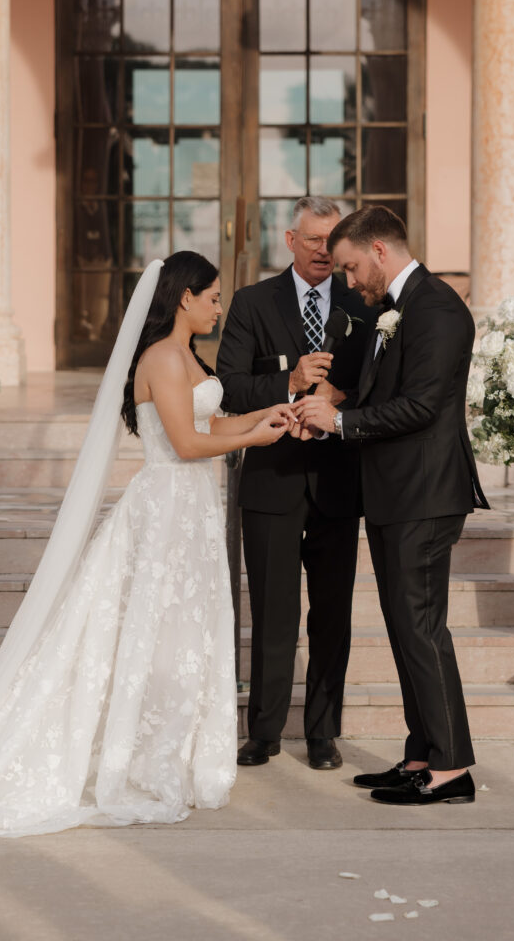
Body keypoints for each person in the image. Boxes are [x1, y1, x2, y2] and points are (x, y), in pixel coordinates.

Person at [0, 252, 293, 845]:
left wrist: (271, 416)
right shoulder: (161, 357)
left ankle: (163, 750)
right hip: (163, 510)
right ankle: (134, 758)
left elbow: (212, 427)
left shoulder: (184, 355)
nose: (219, 305)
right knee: (152, 635)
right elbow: (186, 444)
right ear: (184, 297)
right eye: (212, 296)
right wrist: (259, 438)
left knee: (180, 634)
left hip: (189, 512)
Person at [295, 206, 489, 806]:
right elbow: (372, 386)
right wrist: (323, 402)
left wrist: (340, 421)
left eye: (351, 267)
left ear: (380, 249)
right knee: (407, 631)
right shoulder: (389, 311)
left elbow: (423, 406)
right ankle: (420, 755)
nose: (348, 281)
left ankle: (452, 767)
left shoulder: (436, 308)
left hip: (425, 495)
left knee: (423, 630)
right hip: (392, 496)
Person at [217, 197, 373, 771]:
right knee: (273, 612)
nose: (323, 252)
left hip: (337, 481)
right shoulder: (252, 302)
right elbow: (230, 386)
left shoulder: (363, 301)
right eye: (313, 240)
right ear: (289, 239)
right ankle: (263, 731)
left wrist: (339, 398)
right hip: (272, 481)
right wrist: (287, 380)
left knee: (332, 615)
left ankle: (323, 734)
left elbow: (380, 383)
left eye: (333, 241)